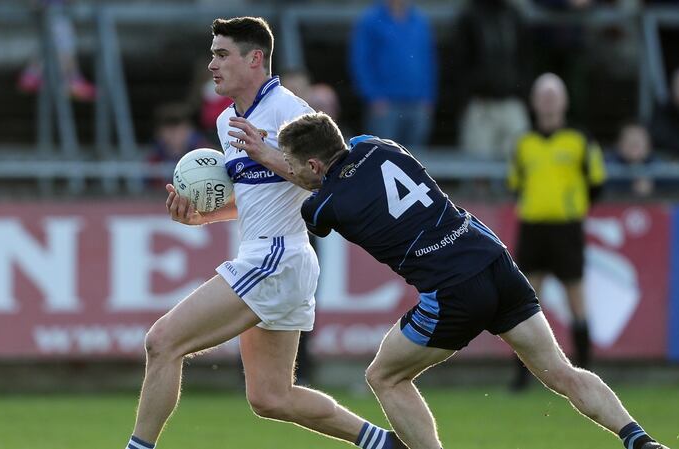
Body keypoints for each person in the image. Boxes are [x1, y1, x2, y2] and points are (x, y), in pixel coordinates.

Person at [267, 111, 670, 449]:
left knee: (383, 376)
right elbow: (346, 153)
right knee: (561, 372)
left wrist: (262, 156)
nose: (292, 169)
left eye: (294, 163)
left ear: (315, 166)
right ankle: (638, 438)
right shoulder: (378, 144)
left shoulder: (324, 206)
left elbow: (311, 191)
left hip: (453, 288)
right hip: (491, 259)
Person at [125, 17, 405, 449]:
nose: (211, 65)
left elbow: (332, 183)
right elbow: (255, 200)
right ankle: (383, 443)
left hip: (278, 255)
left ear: (255, 58)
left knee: (162, 342)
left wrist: (265, 151)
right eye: (211, 54)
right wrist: (198, 218)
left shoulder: (293, 113)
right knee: (271, 397)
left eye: (222, 55)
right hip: (274, 258)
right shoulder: (226, 123)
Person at [507, 73, 606, 390]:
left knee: (576, 297)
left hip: (566, 229)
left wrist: (569, 207)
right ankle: (523, 376)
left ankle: (587, 371)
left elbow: (596, 182)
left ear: (564, 101)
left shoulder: (579, 139)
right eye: (543, 95)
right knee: (524, 302)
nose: (548, 101)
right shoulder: (524, 143)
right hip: (533, 227)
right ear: (534, 102)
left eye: (554, 95)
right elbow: (516, 184)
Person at [349, 0, 437, 148]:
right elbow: (360, 61)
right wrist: (373, 96)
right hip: (385, 105)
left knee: (416, 161)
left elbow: (428, 60)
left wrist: (428, 97)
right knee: (384, 157)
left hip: (417, 104)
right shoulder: (370, 19)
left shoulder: (420, 19)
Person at [454, 0, 531, 159]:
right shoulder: (468, 16)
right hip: (480, 105)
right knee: (478, 170)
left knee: (519, 164)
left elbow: (525, 60)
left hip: (512, 103)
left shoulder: (515, 16)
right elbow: (459, 64)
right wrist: (467, 99)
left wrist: (522, 95)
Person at [17, 0, 95, 101]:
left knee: (60, 39)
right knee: (62, 37)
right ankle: (72, 78)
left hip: (54, 11)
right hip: (48, 11)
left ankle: (32, 74)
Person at [144, 103, 211, 190]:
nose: (175, 136)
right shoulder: (153, 160)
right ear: (159, 133)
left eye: (179, 130)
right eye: (169, 131)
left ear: (190, 130)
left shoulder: (206, 154)